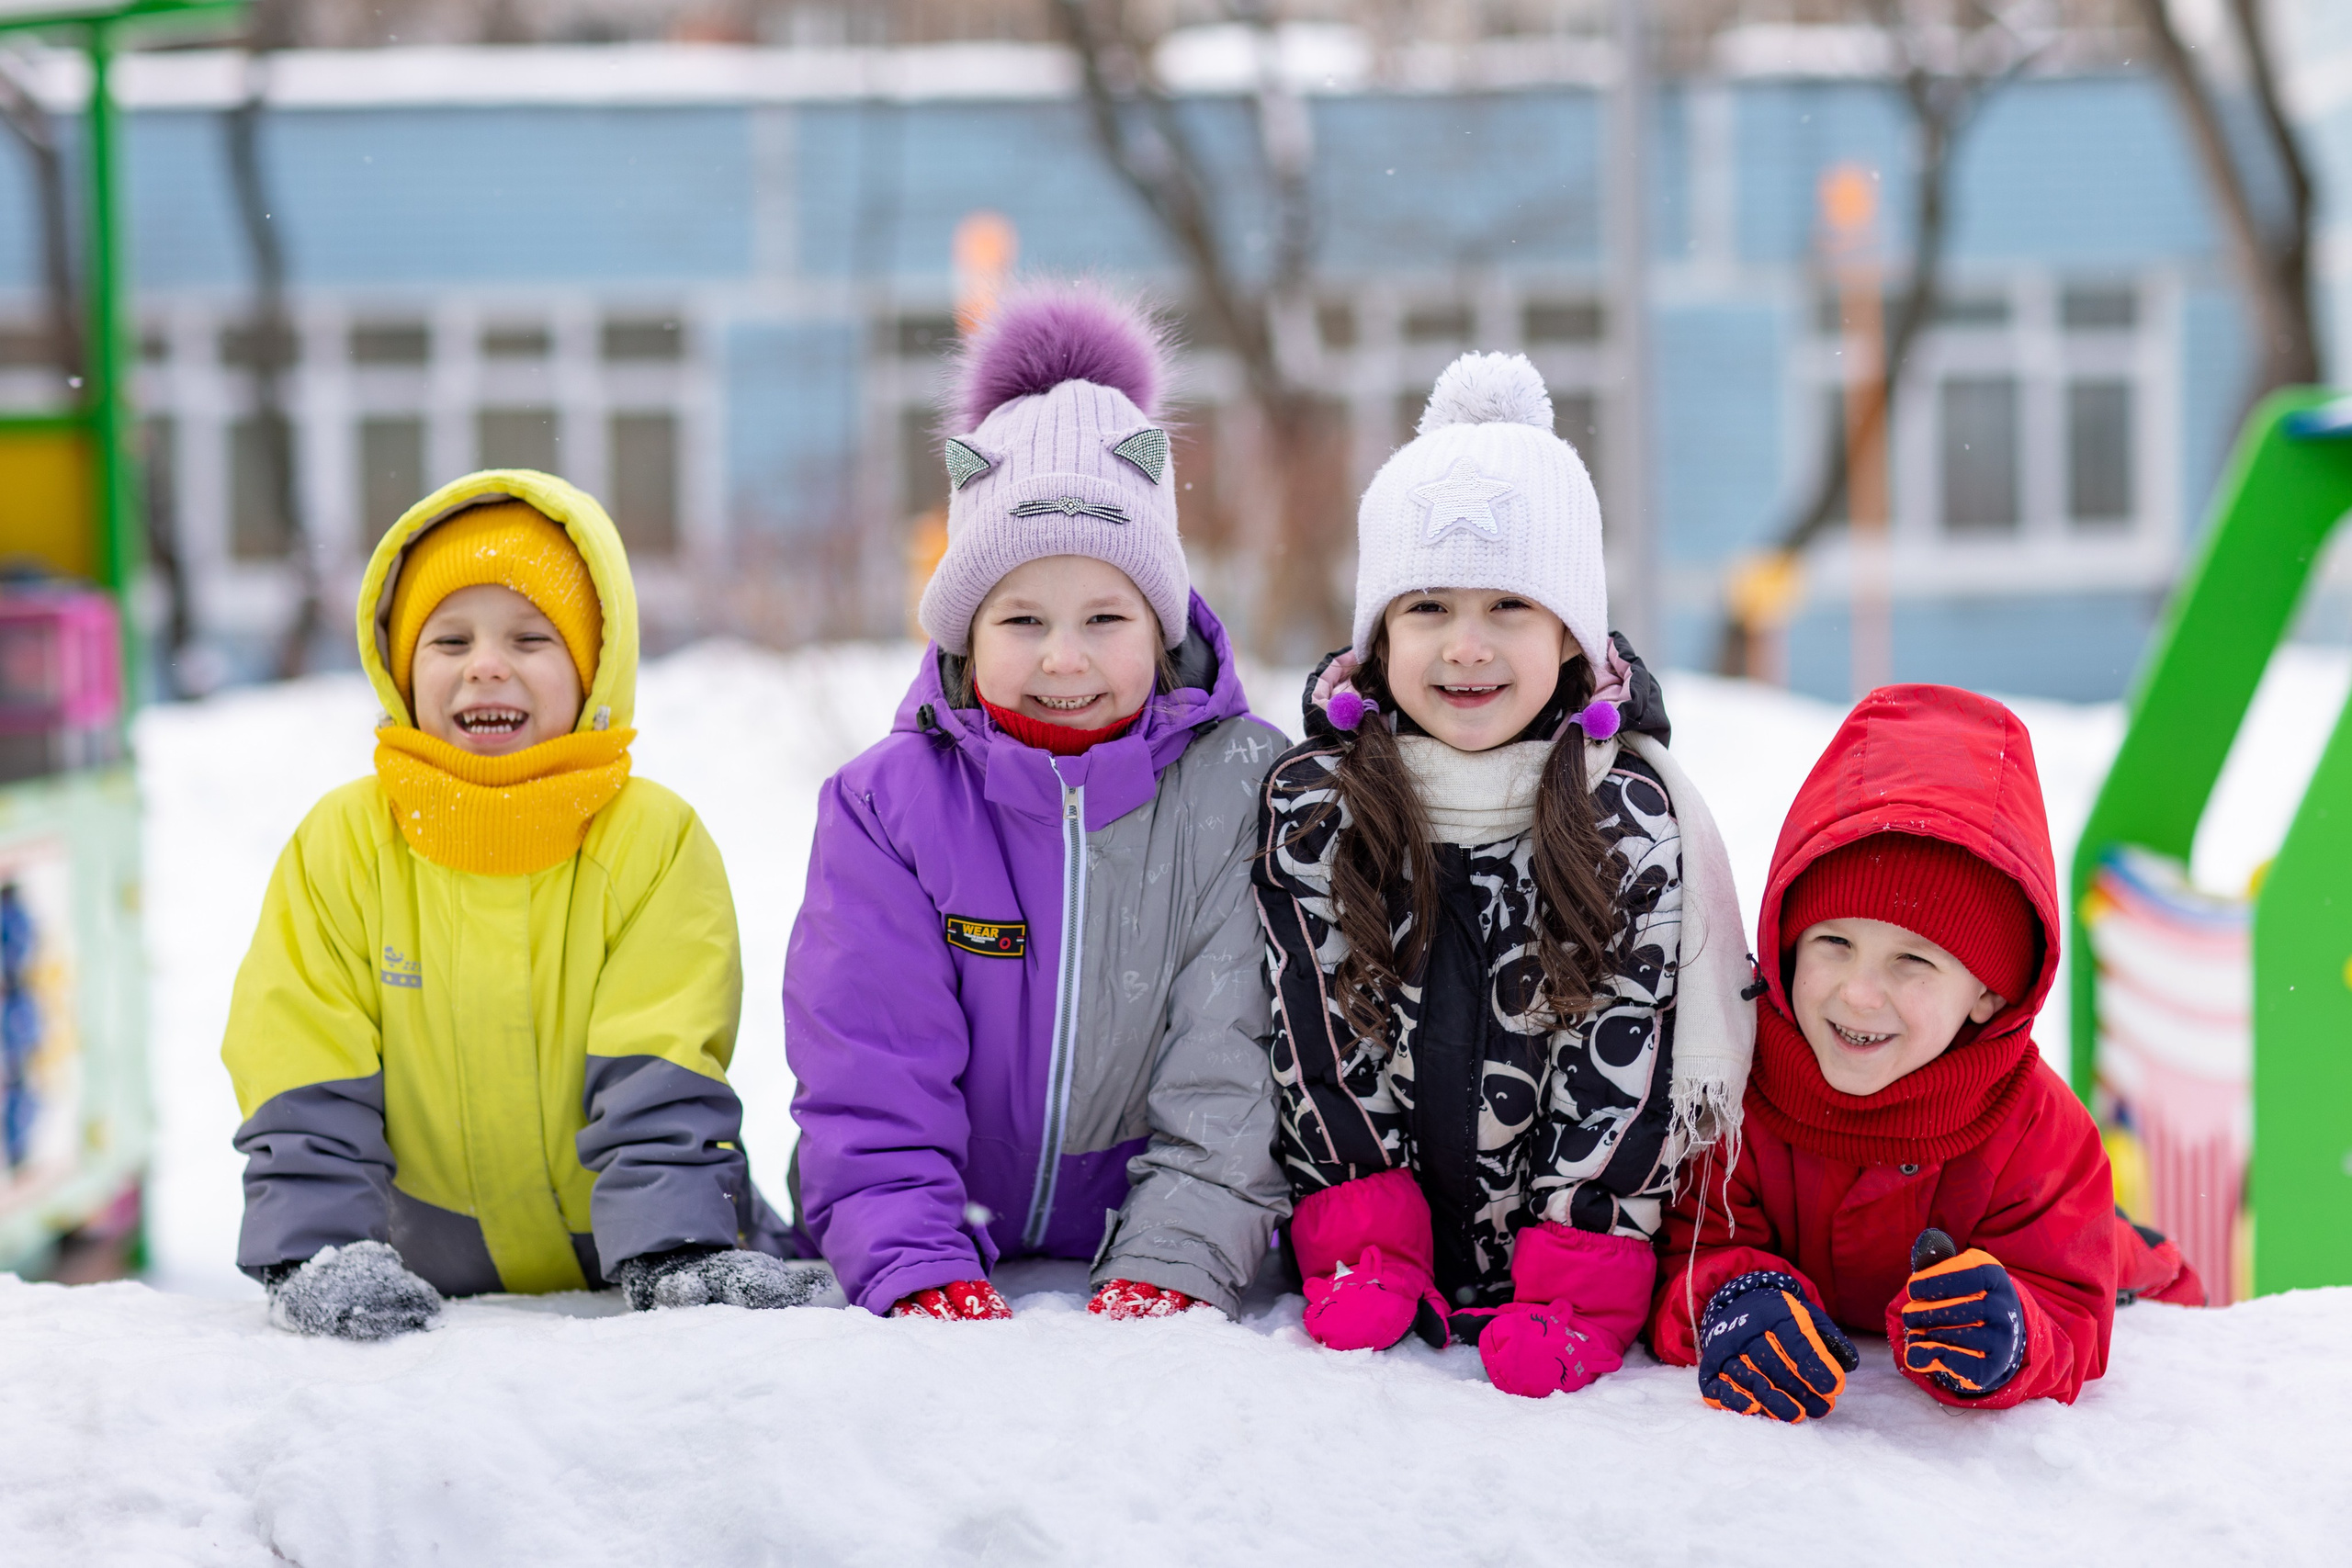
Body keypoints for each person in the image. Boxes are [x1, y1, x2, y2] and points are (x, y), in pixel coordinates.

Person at [1252, 351, 1755, 1398]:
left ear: (1571, 635)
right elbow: (1315, 1040)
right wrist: (1367, 1241)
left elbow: (1629, 1079)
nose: (1465, 649)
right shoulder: (1314, 803)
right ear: (1376, 635)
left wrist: (1576, 1282)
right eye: (1426, 607)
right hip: (1364, 1248)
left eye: (1509, 608)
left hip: (1560, 1268)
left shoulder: (1628, 815)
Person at [784, 286, 1290, 1323]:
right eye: (1021, 618)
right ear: (967, 635)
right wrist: (911, 1255)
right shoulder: (891, 806)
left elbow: (1233, 1065)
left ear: (1163, 626)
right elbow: (867, 1063)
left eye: (1106, 615)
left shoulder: (1239, 789)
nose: (1064, 659)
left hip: (1150, 1228)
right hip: (940, 1220)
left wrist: (1177, 1256)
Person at [224, 469, 808, 1340]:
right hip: (414, 1259)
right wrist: (320, 1247)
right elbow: (302, 1059)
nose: (485, 665)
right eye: (449, 640)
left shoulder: (650, 840)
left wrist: (673, 1246)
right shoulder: (343, 846)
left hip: (633, 1245)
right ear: (399, 668)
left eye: (531, 639)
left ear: (593, 666)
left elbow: (663, 1061)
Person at [1648, 684, 2189, 1420]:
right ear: (1786, 943)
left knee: (2123, 1254)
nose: (1860, 993)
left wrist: (2013, 1334)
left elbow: (2070, 1304)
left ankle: (2142, 1249)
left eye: (1913, 962)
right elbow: (1684, 1246)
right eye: (1833, 942)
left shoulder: (2038, 1132)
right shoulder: (1732, 1086)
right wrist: (1734, 1302)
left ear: (1988, 994)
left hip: (2104, 1253)